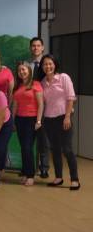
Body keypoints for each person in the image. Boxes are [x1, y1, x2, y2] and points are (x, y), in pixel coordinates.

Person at [40, 55, 79, 190]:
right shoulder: (42, 82)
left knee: (67, 149)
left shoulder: (63, 77)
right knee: (55, 150)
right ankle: (58, 177)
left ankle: (75, 179)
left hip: (63, 118)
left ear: (55, 64)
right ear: (42, 67)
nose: (48, 66)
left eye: (50, 63)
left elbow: (71, 98)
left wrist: (67, 117)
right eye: (45, 64)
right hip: (49, 120)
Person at [12, 62, 43, 187]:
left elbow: (41, 104)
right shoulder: (18, 86)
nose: (21, 72)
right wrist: (13, 121)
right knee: (24, 147)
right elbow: (15, 106)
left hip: (32, 120)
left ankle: (30, 175)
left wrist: (38, 120)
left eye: (23, 69)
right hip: (20, 120)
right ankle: (25, 172)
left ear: (29, 71)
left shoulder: (36, 84)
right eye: (19, 70)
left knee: (27, 147)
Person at [28, 37, 49, 178]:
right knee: (29, 140)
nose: (36, 48)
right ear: (30, 48)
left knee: (43, 139)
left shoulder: (48, 64)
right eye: (33, 46)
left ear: (42, 48)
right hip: (29, 107)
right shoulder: (26, 65)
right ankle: (29, 168)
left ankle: (44, 168)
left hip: (45, 106)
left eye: (38, 45)